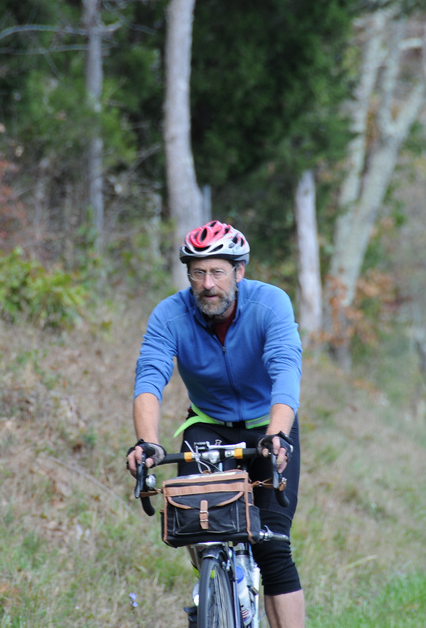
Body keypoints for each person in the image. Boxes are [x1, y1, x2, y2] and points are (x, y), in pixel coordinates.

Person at [126, 220, 306, 628]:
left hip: (267, 427)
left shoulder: (270, 303)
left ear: (239, 272)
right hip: (208, 425)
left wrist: (278, 433)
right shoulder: (170, 314)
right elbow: (150, 378)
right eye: (198, 273)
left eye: (218, 272)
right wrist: (147, 442)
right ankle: (214, 593)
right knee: (198, 526)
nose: (208, 283)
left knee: (273, 547)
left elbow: (285, 371)